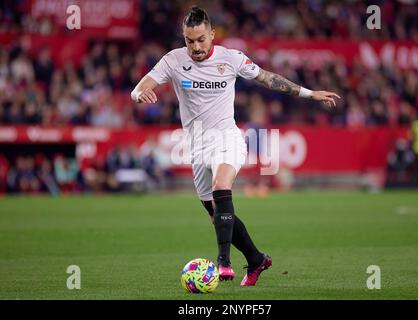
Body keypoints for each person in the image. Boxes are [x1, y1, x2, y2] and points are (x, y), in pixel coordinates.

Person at [131, 6, 340, 286]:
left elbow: (268, 78)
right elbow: (140, 86)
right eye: (189, 41)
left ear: (212, 35)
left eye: (201, 40)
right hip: (197, 146)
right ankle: (256, 259)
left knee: (221, 185)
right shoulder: (173, 61)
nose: (195, 47)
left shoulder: (231, 59)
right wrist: (139, 94)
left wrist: (310, 93)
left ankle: (223, 263)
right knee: (215, 212)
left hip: (227, 139)